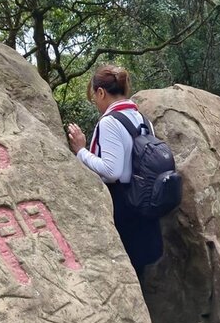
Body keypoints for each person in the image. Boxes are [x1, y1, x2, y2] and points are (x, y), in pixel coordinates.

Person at [67, 65, 163, 282]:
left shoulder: (110, 122)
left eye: (94, 96)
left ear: (101, 92)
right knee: (139, 275)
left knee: (124, 278)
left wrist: (81, 150)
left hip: (123, 209)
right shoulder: (142, 119)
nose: (96, 103)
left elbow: (111, 171)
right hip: (144, 207)